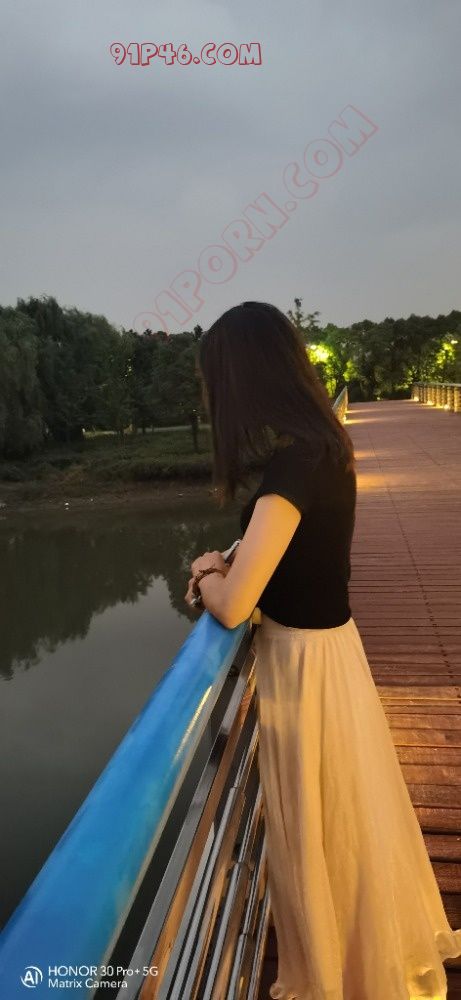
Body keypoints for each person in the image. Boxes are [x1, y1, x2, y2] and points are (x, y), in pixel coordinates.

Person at [184, 301, 461, 999]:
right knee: (344, 819)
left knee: (317, 825)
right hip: (332, 653)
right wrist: (234, 564)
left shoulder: (290, 469)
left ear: (243, 380)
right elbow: (286, 557)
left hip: (302, 666)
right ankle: (359, 951)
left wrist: (206, 571)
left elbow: (235, 605)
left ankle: (336, 973)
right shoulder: (323, 448)